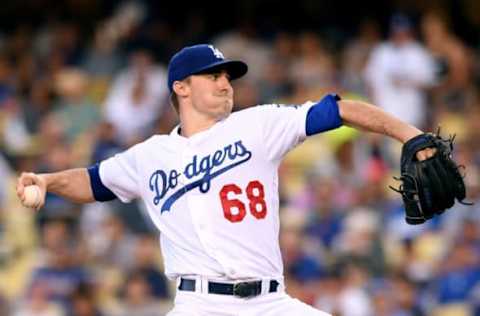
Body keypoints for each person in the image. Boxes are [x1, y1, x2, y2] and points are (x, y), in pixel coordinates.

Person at [17, 43, 435, 315]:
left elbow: (340, 110)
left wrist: (411, 134)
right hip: (199, 303)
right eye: (212, 75)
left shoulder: (258, 124)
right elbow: (91, 182)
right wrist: (47, 180)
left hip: (272, 302)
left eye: (226, 77)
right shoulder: (149, 156)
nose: (224, 83)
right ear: (181, 87)